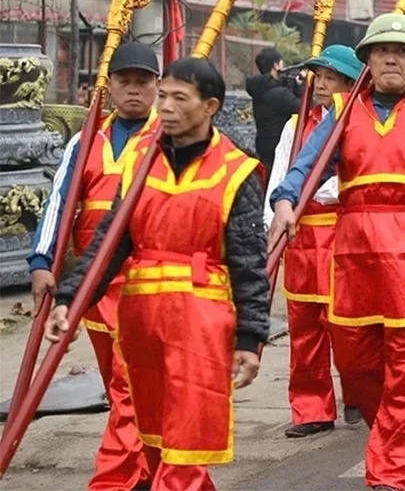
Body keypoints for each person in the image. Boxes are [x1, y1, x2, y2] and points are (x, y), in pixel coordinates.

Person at [267, 14, 405, 491]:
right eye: (383, 50)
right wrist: (285, 199)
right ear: (367, 60)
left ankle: (390, 472)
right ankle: (387, 429)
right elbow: (306, 165)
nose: (392, 58)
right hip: (354, 255)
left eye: (403, 51)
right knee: (355, 364)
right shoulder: (344, 112)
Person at [46, 57, 270, 490]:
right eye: (162, 95)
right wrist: (70, 299)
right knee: (154, 437)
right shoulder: (139, 164)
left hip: (201, 325)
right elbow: (108, 246)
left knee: (186, 444)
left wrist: (250, 337)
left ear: (210, 107)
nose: (164, 106)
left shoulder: (235, 171)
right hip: (142, 322)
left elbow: (249, 262)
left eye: (178, 98)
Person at [27, 41, 160, 491]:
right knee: (120, 381)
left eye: (144, 82)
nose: (134, 91)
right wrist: (43, 261)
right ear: (110, 87)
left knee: (128, 382)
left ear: (158, 87)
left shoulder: (170, 136)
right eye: (125, 81)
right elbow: (59, 203)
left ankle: (116, 479)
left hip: (145, 277)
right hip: (93, 281)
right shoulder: (86, 140)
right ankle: (153, 466)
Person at [264, 44, 364, 437]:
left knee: (348, 325)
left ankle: (357, 391)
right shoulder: (297, 122)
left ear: (351, 83)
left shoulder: (358, 122)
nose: (321, 85)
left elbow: (348, 181)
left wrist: (314, 190)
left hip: (343, 232)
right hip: (303, 234)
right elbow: (282, 173)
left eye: (331, 78)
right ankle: (311, 409)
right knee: (304, 325)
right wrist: (274, 220)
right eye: (317, 77)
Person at [247, 47, 301, 174]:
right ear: (276, 65)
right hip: (279, 150)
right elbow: (302, 108)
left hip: (264, 145)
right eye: (281, 63)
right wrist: (301, 88)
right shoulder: (278, 94)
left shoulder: (260, 89)